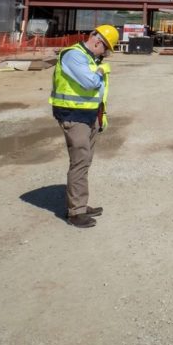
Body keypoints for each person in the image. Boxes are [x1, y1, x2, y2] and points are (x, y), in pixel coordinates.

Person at [50, 25, 117, 228]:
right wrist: (99, 71)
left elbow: (98, 92)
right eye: (105, 49)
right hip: (73, 115)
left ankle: (80, 203)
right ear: (97, 42)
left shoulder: (89, 58)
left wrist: (101, 114)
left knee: (85, 160)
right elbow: (90, 83)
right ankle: (75, 212)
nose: (105, 54)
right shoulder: (73, 56)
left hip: (89, 116)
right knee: (79, 161)